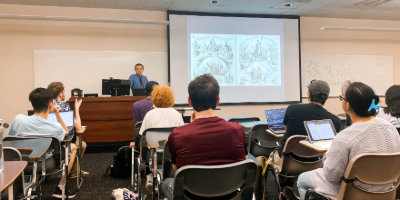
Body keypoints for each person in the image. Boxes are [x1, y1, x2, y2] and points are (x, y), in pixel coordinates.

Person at [296, 82, 400, 200]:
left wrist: (328, 155)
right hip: (387, 191)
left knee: (301, 180)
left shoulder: (344, 137)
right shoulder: (391, 128)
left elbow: (331, 176)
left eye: (342, 98)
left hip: (353, 193)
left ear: (347, 105)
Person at [161, 74, 248, 200]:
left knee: (166, 183)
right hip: (231, 194)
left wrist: (191, 126)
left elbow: (177, 169)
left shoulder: (177, 135)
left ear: (189, 101)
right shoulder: (237, 130)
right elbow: (243, 162)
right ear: (218, 100)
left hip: (192, 196)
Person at [7, 88, 78, 198]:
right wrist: (57, 114)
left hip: (20, 163)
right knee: (72, 147)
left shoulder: (18, 119)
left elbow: (10, 138)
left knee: (33, 149)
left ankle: (31, 188)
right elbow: (67, 132)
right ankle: (60, 188)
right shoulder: (55, 128)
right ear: (50, 104)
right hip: (42, 164)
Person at [274, 80, 341, 163]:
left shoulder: (292, 109)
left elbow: (287, 131)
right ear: (327, 97)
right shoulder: (335, 121)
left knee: (268, 158)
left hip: (288, 162)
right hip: (317, 163)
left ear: (309, 94)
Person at [136, 85, 184, 193]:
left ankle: (149, 179)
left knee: (148, 148)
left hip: (153, 156)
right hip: (172, 155)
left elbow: (141, 135)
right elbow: (182, 135)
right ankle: (168, 181)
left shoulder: (150, 114)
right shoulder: (176, 114)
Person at [47, 82, 89, 178]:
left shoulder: (44, 107)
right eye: (64, 91)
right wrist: (76, 108)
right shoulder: (64, 107)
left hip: (45, 144)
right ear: (60, 94)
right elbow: (78, 127)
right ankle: (73, 171)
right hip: (63, 143)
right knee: (81, 144)